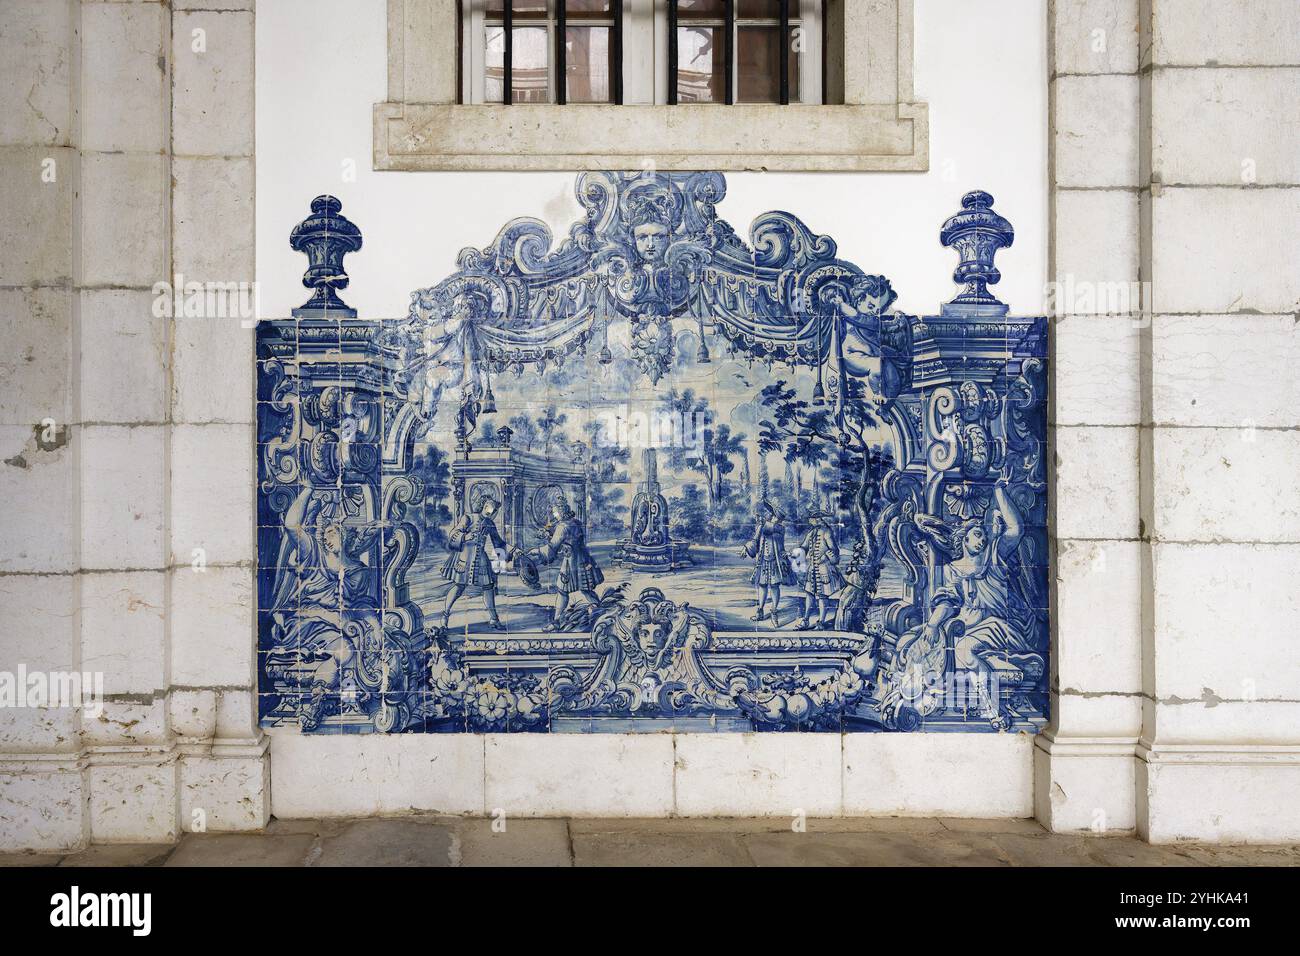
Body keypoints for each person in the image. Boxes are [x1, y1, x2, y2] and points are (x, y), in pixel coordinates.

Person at [442, 493, 516, 630]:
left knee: (488, 588)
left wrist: (512, 551)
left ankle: (494, 619)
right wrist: (465, 536)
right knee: (459, 587)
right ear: (483, 506)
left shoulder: (489, 523)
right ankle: (445, 616)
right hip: (465, 558)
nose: (492, 512)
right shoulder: (468, 517)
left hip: (481, 559)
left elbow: (498, 543)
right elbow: (453, 534)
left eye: (494, 511)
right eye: (489, 508)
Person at [529, 496, 604, 632]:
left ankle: (556, 622)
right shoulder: (575, 522)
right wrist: (550, 534)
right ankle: (599, 609)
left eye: (555, 512)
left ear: (561, 511)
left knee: (562, 591)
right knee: (586, 589)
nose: (554, 515)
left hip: (570, 562)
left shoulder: (562, 527)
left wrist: (537, 551)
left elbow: (552, 548)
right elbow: (569, 540)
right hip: (583, 559)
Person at [743, 501, 794, 626]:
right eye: (772, 515)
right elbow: (755, 539)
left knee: (775, 587)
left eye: (773, 515)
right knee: (762, 586)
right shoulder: (763, 525)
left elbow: (767, 528)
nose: (771, 516)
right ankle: (760, 610)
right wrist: (746, 548)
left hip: (775, 562)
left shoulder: (779, 528)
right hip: (763, 561)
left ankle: (774, 612)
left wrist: (761, 522)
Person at [796, 510, 844, 629]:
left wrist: (825, 556)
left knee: (822, 596)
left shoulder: (826, 532)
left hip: (824, 569)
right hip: (812, 568)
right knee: (809, 594)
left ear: (817, 518)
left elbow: (834, 550)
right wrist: (794, 554)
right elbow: (804, 547)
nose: (809, 520)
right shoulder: (811, 532)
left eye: (811, 518)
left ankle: (821, 622)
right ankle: (805, 620)